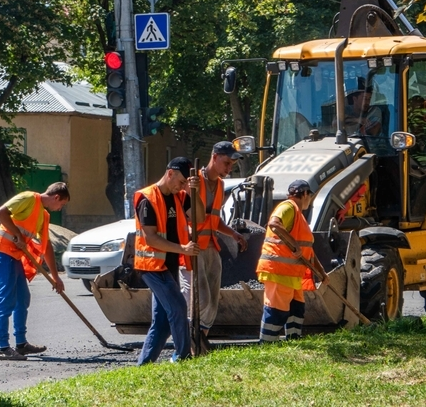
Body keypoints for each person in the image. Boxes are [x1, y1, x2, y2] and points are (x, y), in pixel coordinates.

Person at [134, 157, 204, 365]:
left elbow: (199, 217)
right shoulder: (147, 199)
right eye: (181, 182)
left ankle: (143, 366)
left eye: (185, 184)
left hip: (168, 264)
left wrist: (195, 191)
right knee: (179, 308)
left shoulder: (181, 196)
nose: (182, 187)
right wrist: (183, 249)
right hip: (152, 267)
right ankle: (183, 357)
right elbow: (151, 238)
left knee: (163, 322)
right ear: (170, 173)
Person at [0, 182, 70, 361]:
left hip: (16, 256)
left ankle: (21, 344)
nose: (60, 208)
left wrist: (56, 277)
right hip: (3, 253)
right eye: (62, 204)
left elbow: (46, 245)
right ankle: (3, 347)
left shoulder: (44, 215)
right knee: (7, 300)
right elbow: (0, 213)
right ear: (56, 197)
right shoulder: (28, 198)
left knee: (23, 298)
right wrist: (17, 234)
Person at [180, 141, 248, 338]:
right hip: (193, 248)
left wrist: (233, 234)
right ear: (215, 157)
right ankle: (189, 338)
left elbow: (214, 220)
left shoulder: (220, 185)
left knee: (212, 300)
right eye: (226, 163)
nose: (228, 168)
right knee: (199, 298)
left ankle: (201, 338)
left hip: (211, 247)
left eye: (231, 165)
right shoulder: (192, 182)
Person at [257, 179, 329, 343]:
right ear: (304, 194)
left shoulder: (298, 215)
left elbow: (307, 251)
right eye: (309, 196)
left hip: (292, 274)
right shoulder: (287, 207)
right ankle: (266, 347)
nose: (309, 201)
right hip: (278, 270)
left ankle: (294, 344)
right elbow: (274, 224)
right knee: (276, 310)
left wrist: (322, 273)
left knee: (296, 309)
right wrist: (294, 244)